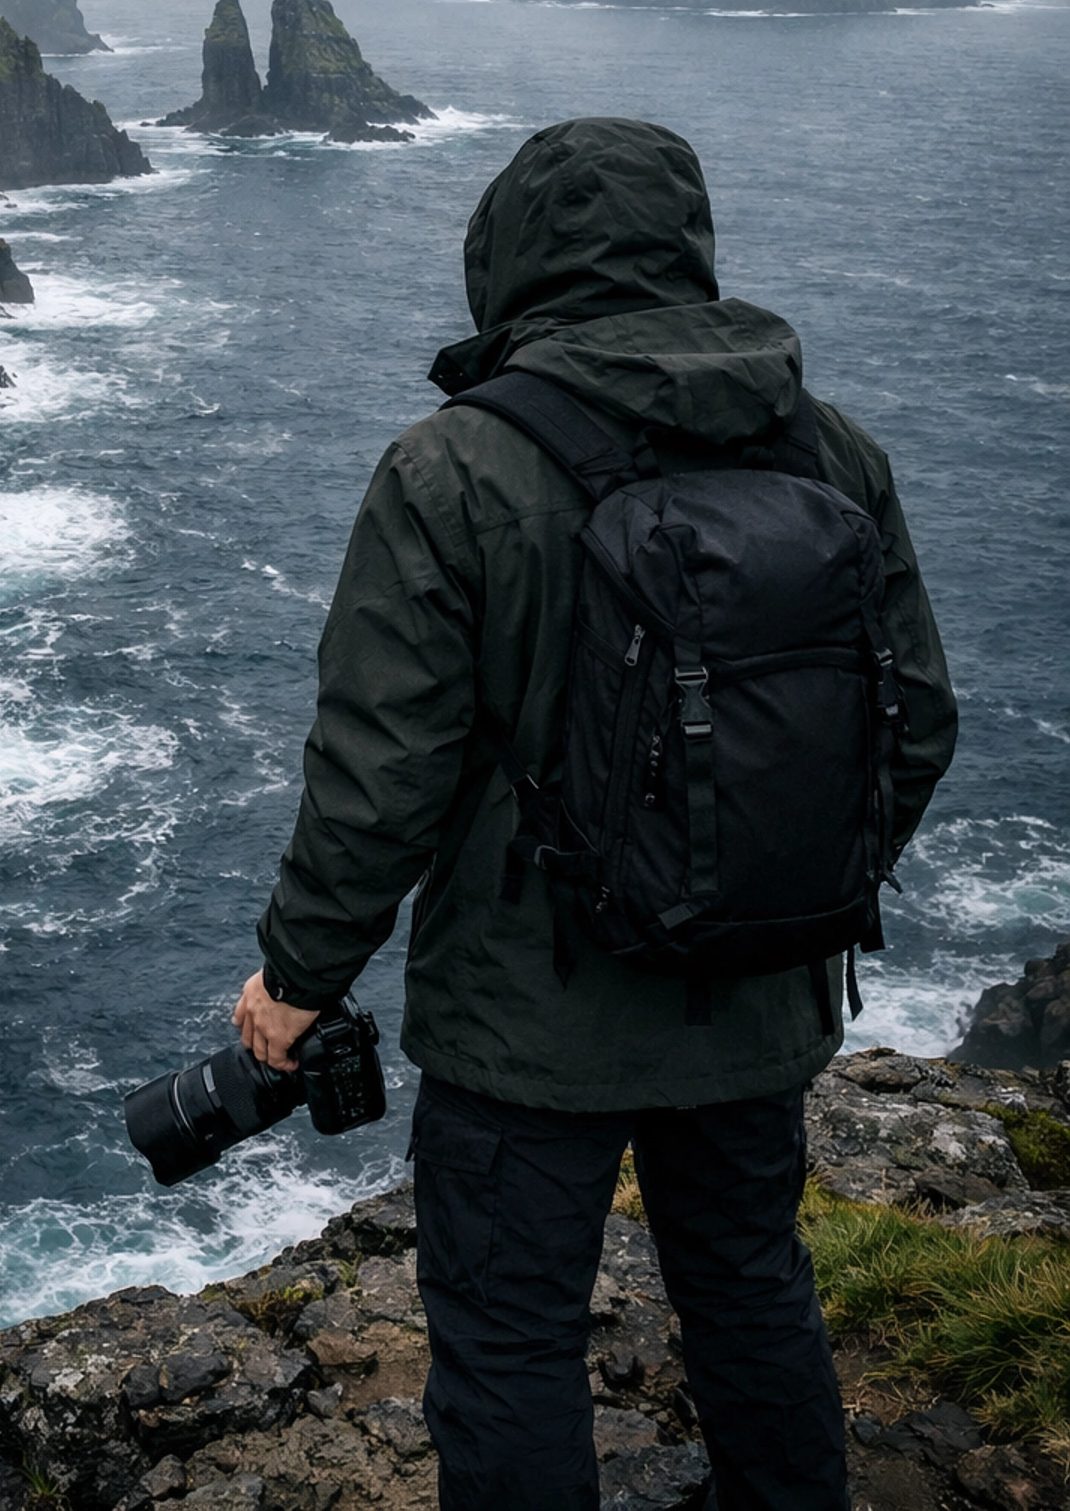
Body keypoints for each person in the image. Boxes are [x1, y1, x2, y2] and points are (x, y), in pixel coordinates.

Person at [232, 117, 956, 1511]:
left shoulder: (452, 470)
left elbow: (381, 778)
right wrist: (776, 889)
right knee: (753, 1297)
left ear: (506, 262)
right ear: (685, 249)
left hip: (527, 1032)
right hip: (753, 1001)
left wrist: (296, 979)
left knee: (510, 1346)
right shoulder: (832, 451)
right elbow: (914, 717)